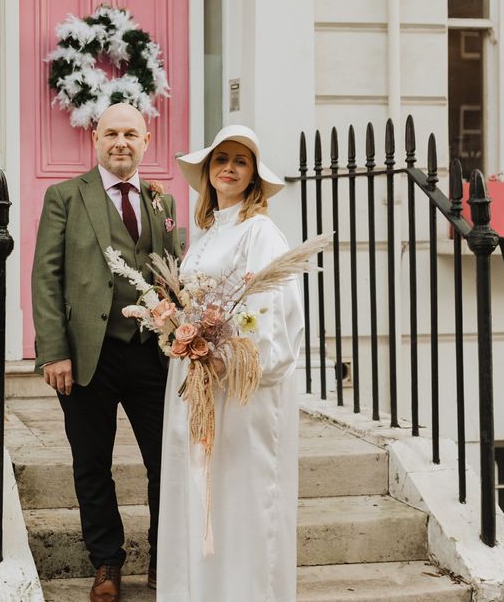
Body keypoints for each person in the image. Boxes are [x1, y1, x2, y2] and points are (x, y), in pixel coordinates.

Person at [31, 102, 181, 602]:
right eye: (112, 133)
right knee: (91, 462)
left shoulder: (164, 201)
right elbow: (46, 278)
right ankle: (106, 562)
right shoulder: (65, 197)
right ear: (95, 138)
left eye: (131, 134)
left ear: (147, 140)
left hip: (152, 354)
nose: (121, 142)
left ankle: (166, 558)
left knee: (168, 462)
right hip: (86, 355)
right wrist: (53, 351)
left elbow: (174, 276)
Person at [156, 125, 304, 601]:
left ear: (253, 175)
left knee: (238, 495)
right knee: (199, 487)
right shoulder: (206, 235)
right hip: (196, 378)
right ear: (208, 172)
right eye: (222, 159)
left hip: (237, 387)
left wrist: (224, 359)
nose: (229, 168)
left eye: (241, 161)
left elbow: (273, 310)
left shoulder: (260, 232)